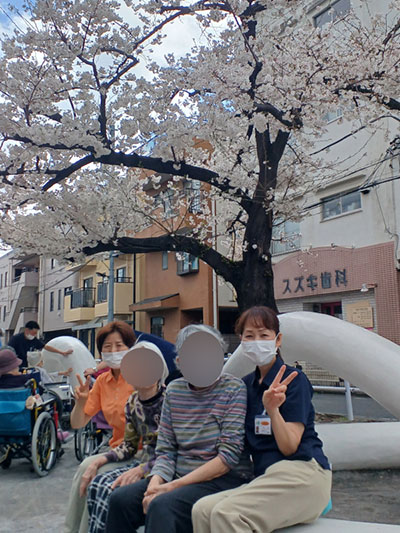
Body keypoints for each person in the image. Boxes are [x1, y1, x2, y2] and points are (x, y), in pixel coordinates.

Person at [192, 306, 332, 533]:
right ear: (241, 341)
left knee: (227, 514)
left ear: (278, 340)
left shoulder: (293, 380)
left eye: (264, 335)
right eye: (249, 336)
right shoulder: (244, 385)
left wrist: (273, 410)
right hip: (267, 477)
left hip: (302, 472)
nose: (256, 341)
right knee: (202, 510)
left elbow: (289, 446)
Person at [105, 324, 253, 533]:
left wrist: (171, 487)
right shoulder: (174, 390)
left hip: (222, 479)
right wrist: (155, 484)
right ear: (180, 362)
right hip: (178, 474)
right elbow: (166, 449)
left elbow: (227, 458)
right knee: (120, 500)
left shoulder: (233, 388)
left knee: (162, 506)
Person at [86, 341, 169, 533]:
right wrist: (100, 460)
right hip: (144, 462)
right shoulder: (132, 402)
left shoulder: (169, 400)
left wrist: (142, 469)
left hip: (163, 467)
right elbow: (129, 445)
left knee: (112, 491)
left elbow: (174, 450)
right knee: (97, 485)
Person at [64, 321, 136, 533]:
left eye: (119, 346)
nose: (113, 351)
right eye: (107, 347)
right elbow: (78, 423)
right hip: (117, 450)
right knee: (85, 469)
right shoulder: (102, 382)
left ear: (131, 348)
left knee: (93, 476)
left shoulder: (141, 376)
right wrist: (80, 402)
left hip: (142, 452)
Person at [8, 321, 73, 368]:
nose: (34, 335)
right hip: (13, 365)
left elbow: (46, 347)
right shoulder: (16, 339)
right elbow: (8, 351)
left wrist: (61, 352)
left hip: (24, 365)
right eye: (33, 333)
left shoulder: (34, 340)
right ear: (27, 330)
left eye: (36, 333)